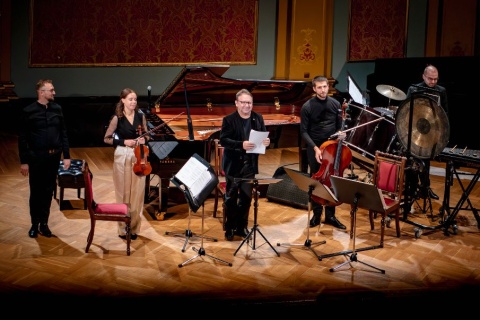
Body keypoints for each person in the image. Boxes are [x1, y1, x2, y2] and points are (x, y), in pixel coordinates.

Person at [18, 79, 71, 238]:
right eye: (51, 90)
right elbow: (23, 138)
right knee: (36, 191)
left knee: (48, 191)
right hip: (36, 158)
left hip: (53, 157)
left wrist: (66, 156)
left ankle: (44, 224)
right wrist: (24, 161)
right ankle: (34, 224)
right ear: (42, 92)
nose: (54, 93)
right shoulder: (29, 111)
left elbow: (63, 134)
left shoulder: (57, 109)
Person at [220, 89, 270, 241]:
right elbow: (224, 140)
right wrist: (241, 144)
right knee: (231, 198)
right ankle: (230, 227)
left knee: (247, 199)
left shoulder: (258, 118)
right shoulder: (229, 120)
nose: (246, 105)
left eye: (249, 102)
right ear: (236, 103)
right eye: (243, 102)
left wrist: (266, 143)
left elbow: (262, 137)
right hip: (233, 165)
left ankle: (242, 227)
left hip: (249, 165)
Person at [300, 75, 347, 230]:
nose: (322, 90)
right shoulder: (307, 106)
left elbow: (340, 127)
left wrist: (342, 134)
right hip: (315, 149)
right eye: (319, 87)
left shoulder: (335, 104)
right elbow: (304, 132)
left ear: (328, 87)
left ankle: (331, 215)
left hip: (332, 149)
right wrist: (314, 148)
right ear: (314, 89)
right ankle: (317, 214)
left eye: (325, 86)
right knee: (317, 181)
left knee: (332, 180)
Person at [104, 88, 150, 240]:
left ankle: (135, 228)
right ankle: (123, 229)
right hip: (122, 155)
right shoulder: (117, 118)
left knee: (137, 194)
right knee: (123, 193)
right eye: (130, 99)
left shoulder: (141, 116)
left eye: (135, 99)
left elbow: (147, 135)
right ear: (122, 100)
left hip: (139, 156)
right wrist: (123, 141)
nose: (134, 102)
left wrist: (144, 139)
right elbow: (107, 138)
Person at [406, 65, 449, 201]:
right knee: (413, 160)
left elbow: (445, 113)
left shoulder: (441, 91)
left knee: (426, 160)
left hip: (430, 132)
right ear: (423, 76)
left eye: (436, 79)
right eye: (430, 79)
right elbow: (406, 109)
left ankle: (425, 189)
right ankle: (412, 189)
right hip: (414, 130)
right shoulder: (414, 89)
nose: (433, 82)